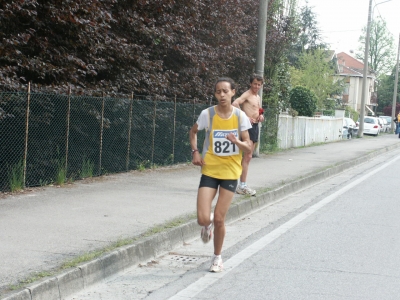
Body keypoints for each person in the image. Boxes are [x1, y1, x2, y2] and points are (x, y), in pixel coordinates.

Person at [189, 77, 252, 273]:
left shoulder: (241, 116)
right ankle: (205, 227)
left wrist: (237, 142)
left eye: (226, 91)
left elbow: (248, 146)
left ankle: (217, 257)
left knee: (219, 218)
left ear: (233, 92)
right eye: (218, 91)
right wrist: (195, 152)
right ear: (215, 94)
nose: (222, 95)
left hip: (231, 172)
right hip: (209, 169)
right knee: (202, 218)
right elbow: (193, 132)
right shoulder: (207, 114)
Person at [232, 74, 264, 196]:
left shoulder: (257, 97)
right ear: (251, 83)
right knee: (247, 155)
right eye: (255, 83)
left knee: (248, 156)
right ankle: (242, 185)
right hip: (247, 127)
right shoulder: (247, 94)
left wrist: (261, 115)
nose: (256, 86)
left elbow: (259, 109)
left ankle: (240, 184)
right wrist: (245, 117)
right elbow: (235, 103)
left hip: (255, 127)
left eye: (259, 84)